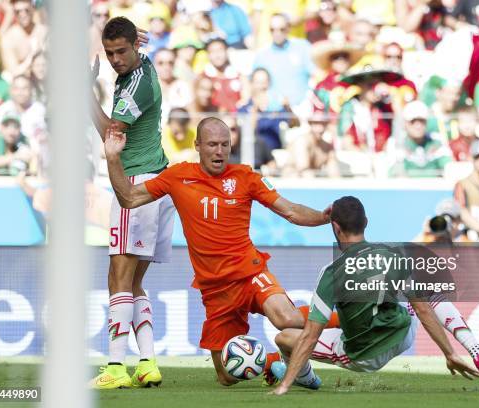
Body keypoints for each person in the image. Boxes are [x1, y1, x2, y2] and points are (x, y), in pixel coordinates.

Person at [103, 116, 331, 387]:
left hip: (249, 273)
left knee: (287, 318)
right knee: (226, 376)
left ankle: (353, 318)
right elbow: (128, 197)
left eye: (225, 144)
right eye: (212, 144)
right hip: (215, 290)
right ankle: (272, 361)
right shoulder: (178, 176)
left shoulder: (245, 177)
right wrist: (113, 158)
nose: (219, 151)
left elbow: (290, 211)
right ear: (198, 145)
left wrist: (324, 217)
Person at [269, 196, 479, 395]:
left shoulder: (331, 273)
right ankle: (474, 348)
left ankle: (305, 379)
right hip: (402, 336)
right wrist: (450, 353)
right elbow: (423, 310)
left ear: (336, 228)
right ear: (367, 223)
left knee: (285, 338)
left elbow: (310, 336)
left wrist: (284, 385)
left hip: (362, 356)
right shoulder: (394, 256)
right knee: (427, 294)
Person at [89, 17, 176, 389]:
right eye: (109, 53)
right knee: (134, 281)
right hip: (156, 183)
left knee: (118, 278)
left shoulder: (135, 86)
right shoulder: (143, 66)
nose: (114, 60)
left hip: (136, 185)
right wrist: (134, 38)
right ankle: (148, 363)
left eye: (121, 51)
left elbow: (113, 135)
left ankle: (115, 367)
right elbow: (135, 49)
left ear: (134, 47)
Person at [253, 13, 316, 108]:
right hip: (272, 113)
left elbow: (316, 75)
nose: (277, 33)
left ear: (288, 28)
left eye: (281, 29)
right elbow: (254, 86)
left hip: (302, 110)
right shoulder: (262, 55)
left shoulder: (303, 47)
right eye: (272, 30)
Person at [391, 100, 452, 177]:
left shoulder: (437, 143)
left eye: (421, 121)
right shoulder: (397, 144)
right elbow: (394, 175)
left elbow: (448, 168)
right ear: (405, 123)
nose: (418, 126)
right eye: (413, 121)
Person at [0, 0, 48, 77]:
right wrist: (32, 55)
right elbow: (13, 72)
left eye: (26, 10)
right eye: (18, 12)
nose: (23, 14)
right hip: (21, 82)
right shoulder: (9, 38)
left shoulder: (45, 32)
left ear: (33, 9)